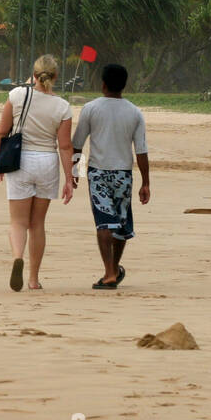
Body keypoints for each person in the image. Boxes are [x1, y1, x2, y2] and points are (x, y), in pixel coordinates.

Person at [0, 54, 74, 291]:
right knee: (37, 223)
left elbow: (1, 131)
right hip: (47, 162)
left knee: (18, 221)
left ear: (34, 75)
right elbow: (65, 146)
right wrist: (69, 179)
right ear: (56, 76)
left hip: (20, 161)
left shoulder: (17, 95)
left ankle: (18, 256)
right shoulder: (62, 106)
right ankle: (33, 278)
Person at [71, 64, 150, 290]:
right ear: (124, 85)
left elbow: (77, 144)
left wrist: (74, 171)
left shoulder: (90, 108)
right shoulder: (134, 112)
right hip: (124, 174)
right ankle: (113, 269)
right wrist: (146, 182)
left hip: (98, 173)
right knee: (121, 223)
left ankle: (109, 273)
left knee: (104, 221)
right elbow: (141, 150)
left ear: (103, 84)